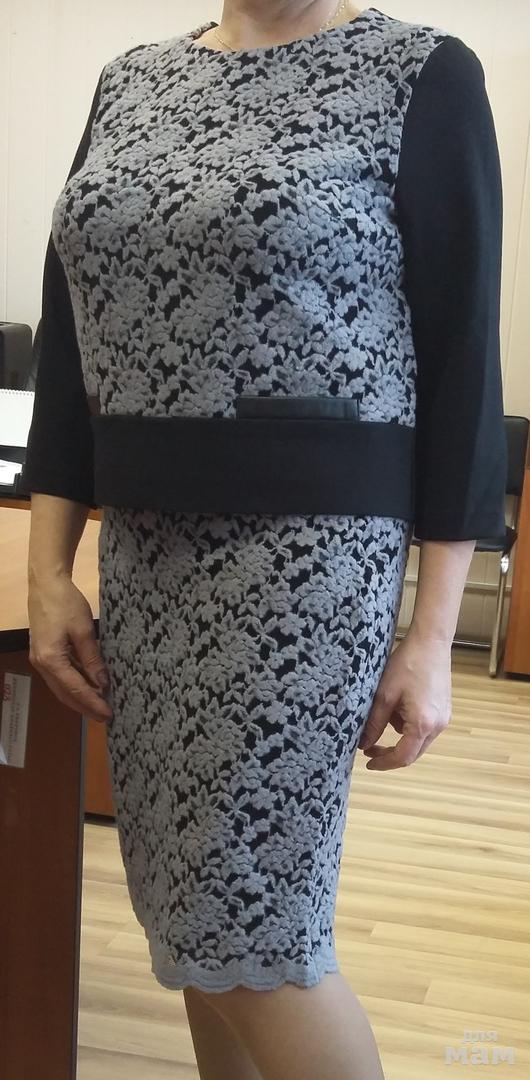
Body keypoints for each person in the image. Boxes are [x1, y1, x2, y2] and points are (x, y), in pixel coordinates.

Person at [20, 2, 507, 1078]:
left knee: (255, 932)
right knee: (187, 918)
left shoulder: (420, 73)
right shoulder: (132, 79)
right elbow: (70, 342)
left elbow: (463, 364)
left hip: (302, 568)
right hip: (145, 557)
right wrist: (47, 568)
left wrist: (432, 637)